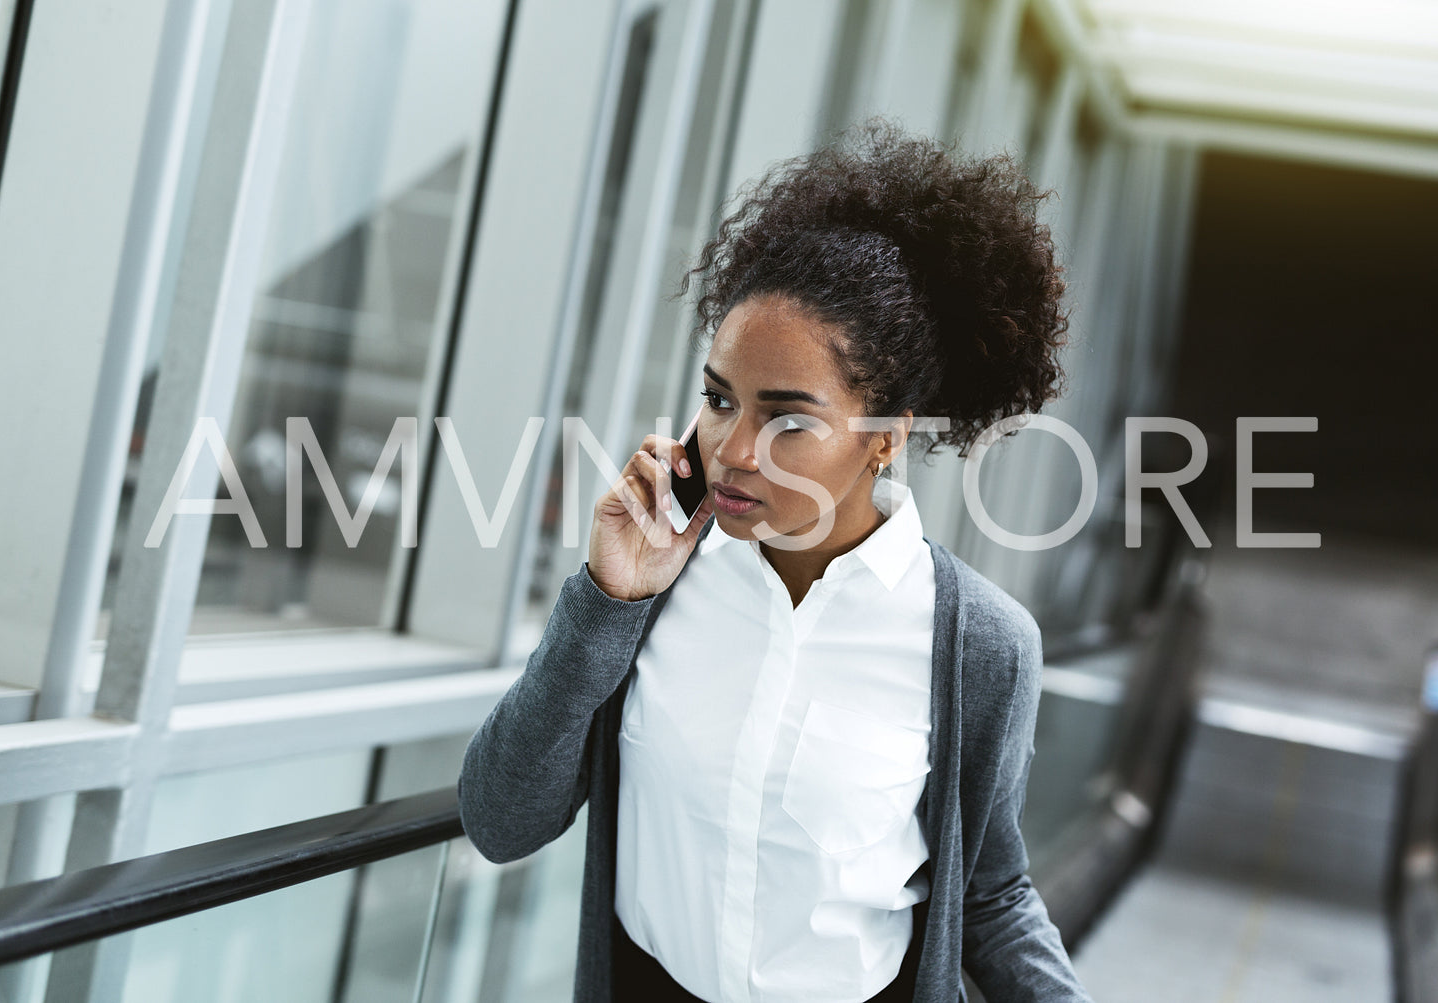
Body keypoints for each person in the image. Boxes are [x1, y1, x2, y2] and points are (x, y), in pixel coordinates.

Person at [459, 119, 1093, 1002]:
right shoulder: (656, 585)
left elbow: (989, 891)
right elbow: (498, 819)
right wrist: (605, 597)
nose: (733, 448)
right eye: (719, 399)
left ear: (883, 440)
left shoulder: (979, 644)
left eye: (788, 417)